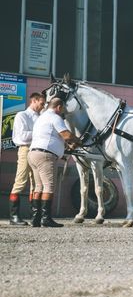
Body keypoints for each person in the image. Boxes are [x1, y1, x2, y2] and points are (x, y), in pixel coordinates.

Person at [27, 97, 82, 227]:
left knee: (38, 186)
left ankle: (36, 218)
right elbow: (66, 135)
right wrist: (78, 140)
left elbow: (52, 136)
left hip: (33, 154)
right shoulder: (55, 117)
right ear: (59, 107)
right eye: (62, 108)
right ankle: (46, 219)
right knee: (49, 187)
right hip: (45, 156)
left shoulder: (41, 117)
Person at [7, 92, 45, 225]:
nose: (43, 106)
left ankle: (35, 216)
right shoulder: (22, 115)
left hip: (37, 150)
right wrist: (40, 133)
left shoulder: (41, 117)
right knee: (20, 181)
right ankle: (14, 216)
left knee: (36, 183)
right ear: (34, 101)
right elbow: (21, 136)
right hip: (25, 149)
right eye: (41, 103)